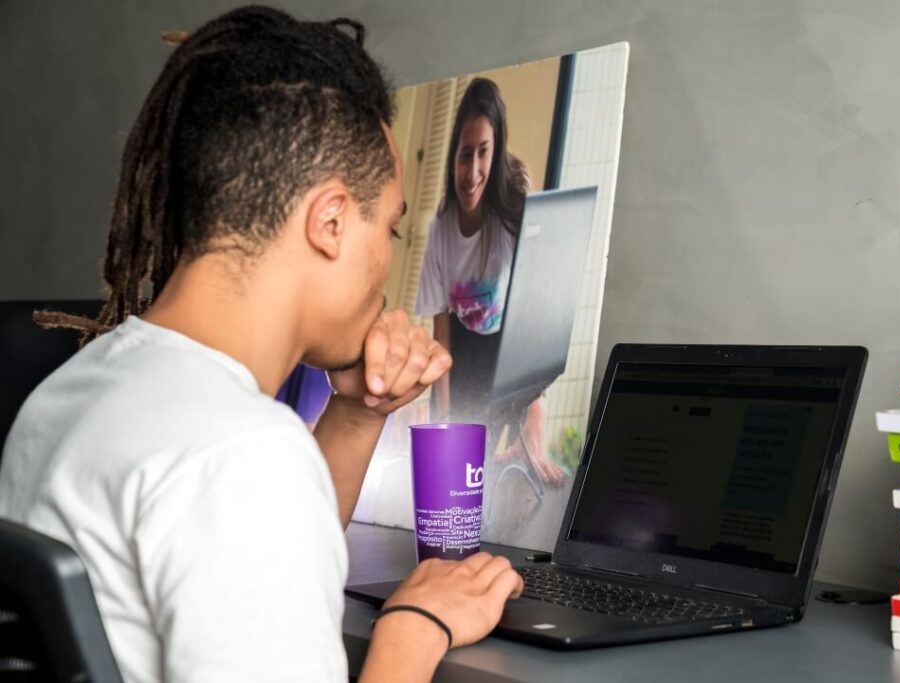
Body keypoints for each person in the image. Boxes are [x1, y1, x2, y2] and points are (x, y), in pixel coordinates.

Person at [0, 7, 522, 682]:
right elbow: (245, 490)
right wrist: (413, 627)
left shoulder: (69, 392)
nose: (386, 269)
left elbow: (253, 567)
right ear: (331, 221)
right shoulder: (243, 455)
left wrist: (359, 411)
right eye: (389, 231)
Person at [415, 77, 566, 486]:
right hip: (457, 353)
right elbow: (441, 335)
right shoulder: (441, 230)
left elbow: (533, 321)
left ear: (495, 153)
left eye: (484, 153)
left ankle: (520, 449)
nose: (473, 172)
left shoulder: (512, 218)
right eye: (466, 155)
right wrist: (444, 420)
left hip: (498, 352)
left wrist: (533, 428)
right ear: (453, 157)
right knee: (444, 472)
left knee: (475, 478)